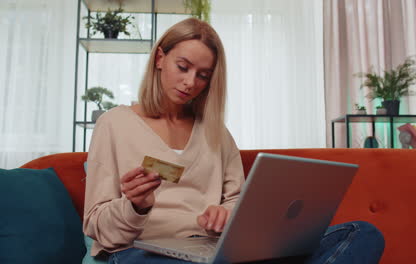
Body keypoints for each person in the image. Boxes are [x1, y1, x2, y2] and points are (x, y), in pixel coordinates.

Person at [83, 18, 385, 264]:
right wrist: (136, 206)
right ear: (160, 58)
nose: (191, 83)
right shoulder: (114, 124)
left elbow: (235, 199)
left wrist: (227, 215)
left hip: (211, 249)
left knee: (362, 233)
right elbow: (98, 228)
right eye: (183, 67)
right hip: (142, 251)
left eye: (203, 75)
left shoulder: (215, 132)